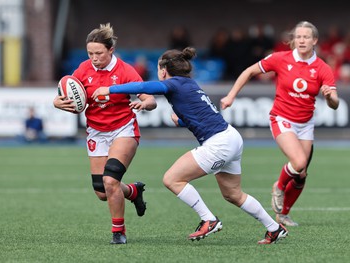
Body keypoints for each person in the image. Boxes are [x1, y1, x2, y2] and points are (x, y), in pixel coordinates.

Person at [92, 47, 288, 244]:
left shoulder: (173, 83)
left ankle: (208, 219)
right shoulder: (189, 83)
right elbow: (203, 116)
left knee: (172, 179)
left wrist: (110, 89)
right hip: (230, 137)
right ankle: (274, 228)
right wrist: (182, 120)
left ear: (163, 70)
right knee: (233, 194)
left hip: (219, 142)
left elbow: (148, 87)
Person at [220, 21, 340, 227]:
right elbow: (249, 72)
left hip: (306, 123)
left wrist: (330, 97)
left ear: (315, 41)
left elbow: (335, 104)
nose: (302, 40)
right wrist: (231, 96)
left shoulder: (322, 68)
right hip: (282, 119)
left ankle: (283, 214)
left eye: (306, 37)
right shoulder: (280, 59)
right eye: (298, 37)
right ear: (294, 40)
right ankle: (279, 186)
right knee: (299, 163)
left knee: (301, 175)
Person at [53, 23, 157, 244]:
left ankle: (118, 232)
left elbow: (150, 99)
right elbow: (66, 91)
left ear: (111, 50)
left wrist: (144, 103)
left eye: (98, 53)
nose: (94, 58)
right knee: (102, 192)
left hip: (123, 129)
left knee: (110, 181)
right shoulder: (83, 69)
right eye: (90, 53)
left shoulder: (126, 71)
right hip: (96, 132)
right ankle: (133, 192)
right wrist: (57, 102)